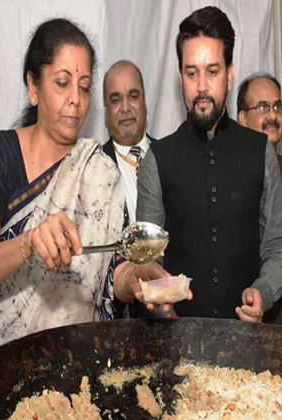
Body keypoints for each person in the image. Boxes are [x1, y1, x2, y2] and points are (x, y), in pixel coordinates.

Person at [0, 18, 182, 362]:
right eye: (62, 83)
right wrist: (30, 242)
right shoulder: (0, 152)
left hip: (76, 367)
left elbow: (114, 274)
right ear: (33, 87)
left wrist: (138, 279)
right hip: (1, 362)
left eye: (83, 86)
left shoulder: (101, 172)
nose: (75, 100)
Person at [137, 6, 282, 323]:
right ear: (181, 78)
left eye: (212, 71)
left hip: (249, 353)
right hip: (177, 349)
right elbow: (148, 260)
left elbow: (276, 245)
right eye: (192, 73)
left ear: (230, 74)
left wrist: (264, 291)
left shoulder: (261, 152)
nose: (201, 85)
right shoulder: (156, 160)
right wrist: (157, 296)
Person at [101, 60, 156, 223]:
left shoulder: (170, 157)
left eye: (133, 96)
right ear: (106, 113)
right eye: (116, 100)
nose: (125, 108)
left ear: (145, 105)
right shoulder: (94, 167)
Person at [237, 73, 282, 171]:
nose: (273, 116)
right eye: (262, 108)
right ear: (243, 118)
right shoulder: (232, 169)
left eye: (277, 106)